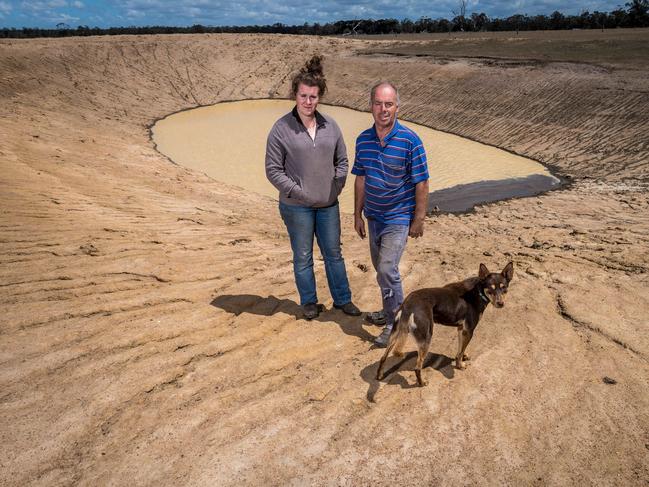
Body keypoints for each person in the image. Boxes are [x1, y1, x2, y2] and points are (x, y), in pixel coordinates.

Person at [265, 55, 360, 321]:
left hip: (329, 205)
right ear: (295, 95)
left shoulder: (331, 126)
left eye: (313, 97)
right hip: (297, 208)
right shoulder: (281, 129)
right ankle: (309, 302)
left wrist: (337, 185)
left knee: (334, 254)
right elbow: (273, 170)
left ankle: (343, 300)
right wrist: (299, 192)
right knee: (303, 256)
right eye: (303, 96)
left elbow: (342, 160)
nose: (308, 102)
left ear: (320, 98)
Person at [351, 81, 430, 347]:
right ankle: (389, 310)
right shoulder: (363, 140)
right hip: (374, 217)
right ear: (371, 105)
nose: (383, 109)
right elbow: (360, 179)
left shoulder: (410, 140)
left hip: (398, 218)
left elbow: (422, 183)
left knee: (386, 269)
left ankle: (395, 324)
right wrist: (357, 214)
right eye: (378, 103)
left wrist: (418, 220)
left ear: (397, 106)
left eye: (389, 104)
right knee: (382, 270)